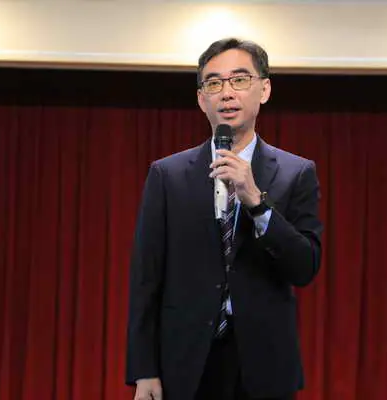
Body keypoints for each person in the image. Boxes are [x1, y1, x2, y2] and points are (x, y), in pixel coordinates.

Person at [126, 38, 323, 400]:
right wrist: (144, 370)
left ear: (264, 89)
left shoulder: (296, 173)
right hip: (184, 364)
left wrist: (257, 203)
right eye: (214, 83)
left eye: (240, 79)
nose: (227, 93)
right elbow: (146, 279)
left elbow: (305, 266)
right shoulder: (168, 176)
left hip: (265, 366)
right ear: (202, 99)